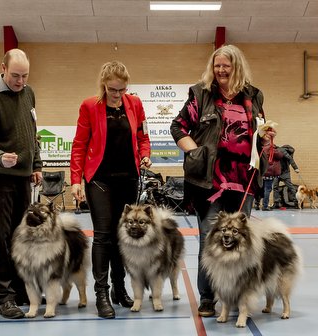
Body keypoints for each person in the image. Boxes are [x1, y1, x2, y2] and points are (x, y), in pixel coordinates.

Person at [170, 45, 272, 317]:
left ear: (236, 66)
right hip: (209, 182)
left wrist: (266, 136)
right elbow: (178, 126)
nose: (221, 70)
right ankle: (207, 298)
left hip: (244, 181)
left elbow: (258, 131)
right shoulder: (201, 94)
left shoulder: (253, 95)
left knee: (240, 242)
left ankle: (237, 296)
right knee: (209, 239)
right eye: (217, 65)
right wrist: (196, 151)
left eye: (226, 65)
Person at [70, 61, 151, 319]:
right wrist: (75, 180)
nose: (118, 94)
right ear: (104, 84)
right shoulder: (90, 106)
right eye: (113, 89)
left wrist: (146, 155)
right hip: (99, 180)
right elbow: (79, 146)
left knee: (121, 235)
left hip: (128, 178)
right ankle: (102, 294)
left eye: (122, 89)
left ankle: (119, 288)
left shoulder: (135, 104)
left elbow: (142, 136)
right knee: (104, 236)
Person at [0, 48, 42, 319]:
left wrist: (35, 165)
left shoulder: (29, 93)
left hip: (22, 181)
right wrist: (0, 157)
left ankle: (21, 289)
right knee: (1, 240)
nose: (20, 81)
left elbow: (33, 133)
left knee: (21, 237)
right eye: (15, 75)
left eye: (25, 76)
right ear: (2, 68)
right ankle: (4, 297)